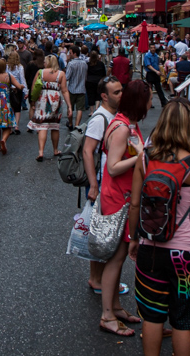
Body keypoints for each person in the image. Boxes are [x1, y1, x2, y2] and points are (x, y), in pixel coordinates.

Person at [129, 100, 190, 356]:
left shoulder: (145, 159)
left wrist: (134, 237)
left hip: (151, 248)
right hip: (187, 255)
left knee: (153, 316)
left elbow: (135, 205)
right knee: (183, 319)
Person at [97, 80, 151, 338]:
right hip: (118, 198)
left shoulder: (127, 122)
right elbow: (113, 167)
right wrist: (141, 156)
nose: (152, 103)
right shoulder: (121, 128)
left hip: (123, 196)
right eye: (148, 98)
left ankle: (115, 306)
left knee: (118, 257)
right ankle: (107, 315)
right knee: (116, 257)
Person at [83, 77, 123, 295]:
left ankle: (97, 279)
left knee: (101, 231)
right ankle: (97, 280)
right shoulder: (100, 118)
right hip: (102, 182)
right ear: (104, 96)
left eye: (121, 90)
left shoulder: (113, 115)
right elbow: (87, 150)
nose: (121, 95)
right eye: (116, 92)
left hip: (108, 181)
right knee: (102, 232)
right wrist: (93, 185)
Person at [27, 55, 72, 161]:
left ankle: (41, 152)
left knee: (43, 126)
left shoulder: (40, 72)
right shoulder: (61, 74)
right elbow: (64, 90)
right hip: (55, 101)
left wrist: (33, 102)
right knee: (54, 126)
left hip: (42, 100)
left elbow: (34, 88)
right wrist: (69, 106)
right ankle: (55, 150)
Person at [0, 58, 23, 155]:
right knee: (8, 126)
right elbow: (18, 86)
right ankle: (3, 139)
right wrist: (21, 86)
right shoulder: (8, 76)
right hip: (5, 102)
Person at [65, 46, 88, 127]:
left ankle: (70, 123)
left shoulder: (71, 64)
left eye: (70, 53)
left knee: (70, 107)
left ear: (74, 53)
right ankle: (77, 125)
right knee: (80, 109)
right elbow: (85, 76)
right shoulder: (84, 63)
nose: (69, 54)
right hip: (81, 88)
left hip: (72, 89)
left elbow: (67, 77)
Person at [6, 51, 27, 135]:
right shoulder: (20, 67)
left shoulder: (6, 66)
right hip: (17, 88)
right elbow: (22, 79)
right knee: (17, 108)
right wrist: (26, 91)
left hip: (8, 88)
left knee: (10, 107)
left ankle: (10, 127)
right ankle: (17, 126)